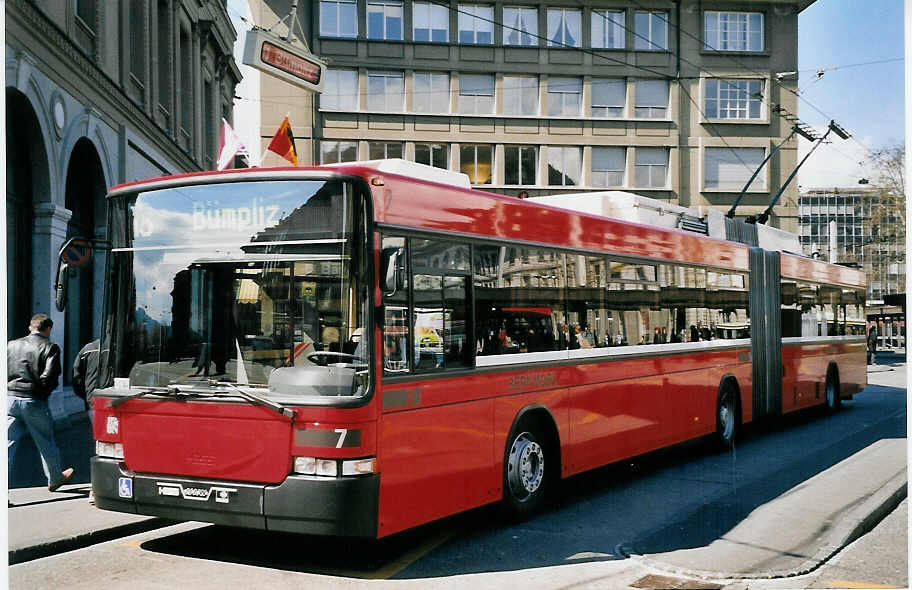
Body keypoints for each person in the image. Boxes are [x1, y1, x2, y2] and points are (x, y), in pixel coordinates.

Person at [7, 314, 75, 492]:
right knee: (45, 441)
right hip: (33, 399)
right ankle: (55, 478)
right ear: (48, 329)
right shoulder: (50, 347)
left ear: (31, 327)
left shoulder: (11, 345)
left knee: (7, 445)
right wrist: (40, 395)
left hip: (10, 398)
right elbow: (50, 377)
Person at [72, 338, 100, 414]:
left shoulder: (87, 349)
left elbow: (76, 375)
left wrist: (85, 395)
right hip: (110, 397)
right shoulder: (116, 348)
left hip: (91, 397)